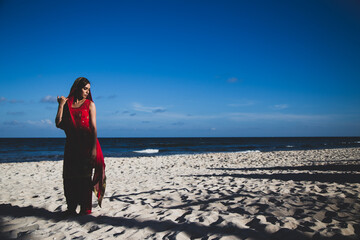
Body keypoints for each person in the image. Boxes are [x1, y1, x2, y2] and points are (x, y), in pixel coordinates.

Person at [55, 77, 106, 216]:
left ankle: (85, 209)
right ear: (77, 88)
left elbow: (94, 127)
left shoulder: (90, 104)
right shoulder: (67, 104)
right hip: (71, 146)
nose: (87, 91)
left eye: (89, 89)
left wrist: (94, 148)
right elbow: (58, 123)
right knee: (70, 177)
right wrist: (61, 105)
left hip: (86, 146)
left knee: (84, 177)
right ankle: (71, 207)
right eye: (85, 88)